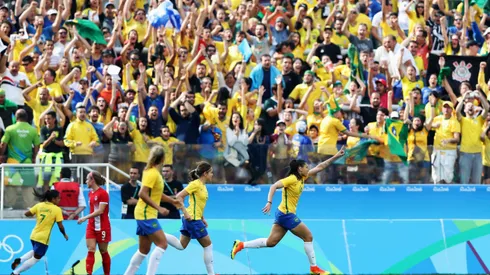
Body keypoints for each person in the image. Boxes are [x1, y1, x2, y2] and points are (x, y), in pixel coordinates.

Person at [230, 148, 346, 275]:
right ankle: (314, 268)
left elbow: (321, 166)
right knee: (308, 236)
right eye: (306, 167)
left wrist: (336, 156)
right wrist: (269, 202)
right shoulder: (291, 179)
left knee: (271, 242)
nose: (308, 168)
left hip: (282, 214)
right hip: (286, 214)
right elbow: (274, 186)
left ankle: (241, 245)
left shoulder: (303, 177)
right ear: (299, 169)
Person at [124, 146, 182, 275]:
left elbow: (156, 193)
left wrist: (172, 201)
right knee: (162, 244)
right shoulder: (152, 173)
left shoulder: (152, 172)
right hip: (146, 214)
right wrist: (159, 208)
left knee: (143, 250)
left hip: (144, 214)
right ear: (162, 158)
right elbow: (142, 194)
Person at [164, 161, 218, 275]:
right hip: (192, 219)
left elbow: (198, 203)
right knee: (208, 245)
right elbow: (178, 197)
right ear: (205, 173)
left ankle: (159, 234)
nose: (212, 175)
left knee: (181, 245)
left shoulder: (202, 186)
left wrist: (202, 217)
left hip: (194, 218)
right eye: (211, 173)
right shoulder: (195, 184)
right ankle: (211, 274)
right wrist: (185, 211)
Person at [10, 190, 68, 275]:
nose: (59, 200)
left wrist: (36, 214)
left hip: (34, 235)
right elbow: (60, 226)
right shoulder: (57, 209)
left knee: (36, 251)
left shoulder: (39, 205)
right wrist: (65, 235)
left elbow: (27, 213)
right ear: (53, 199)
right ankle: (16, 272)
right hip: (43, 238)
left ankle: (20, 259)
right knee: (36, 258)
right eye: (58, 198)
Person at [77, 171, 111, 275]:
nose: (86, 181)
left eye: (87, 179)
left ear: (93, 180)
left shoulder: (103, 193)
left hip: (103, 226)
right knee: (91, 249)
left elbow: (100, 211)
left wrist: (84, 218)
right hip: (91, 226)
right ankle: (89, 273)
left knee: (103, 251)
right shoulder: (90, 193)